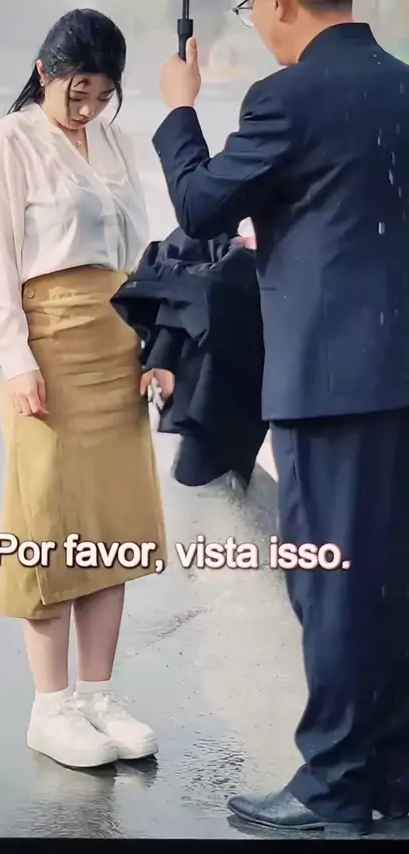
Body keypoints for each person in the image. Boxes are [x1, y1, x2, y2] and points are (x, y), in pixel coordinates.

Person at [152, 0, 409, 836]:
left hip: (329, 385)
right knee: (388, 582)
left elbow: (201, 206)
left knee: (329, 583)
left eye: (252, 4)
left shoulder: (287, 97)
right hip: (396, 374)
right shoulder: (402, 85)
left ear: (284, 4)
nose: (254, 17)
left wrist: (181, 108)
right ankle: (392, 771)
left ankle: (333, 786)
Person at [0, 8, 169, 770]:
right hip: (48, 346)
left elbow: (139, 252)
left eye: (102, 95)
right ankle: (49, 707)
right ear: (45, 73)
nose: (88, 108)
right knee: (49, 519)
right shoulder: (9, 141)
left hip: (116, 341)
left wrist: (156, 345)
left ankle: (98, 696)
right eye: (76, 92)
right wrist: (15, 357)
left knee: (111, 522)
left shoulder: (116, 144)